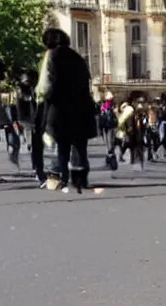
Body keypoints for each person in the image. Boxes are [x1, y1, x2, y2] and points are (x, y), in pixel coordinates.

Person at [37, 28, 96, 193]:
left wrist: (42, 99)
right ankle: (80, 178)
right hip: (81, 107)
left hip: (59, 107)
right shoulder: (78, 58)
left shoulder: (52, 56)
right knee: (79, 144)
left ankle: (60, 178)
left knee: (60, 144)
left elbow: (45, 85)